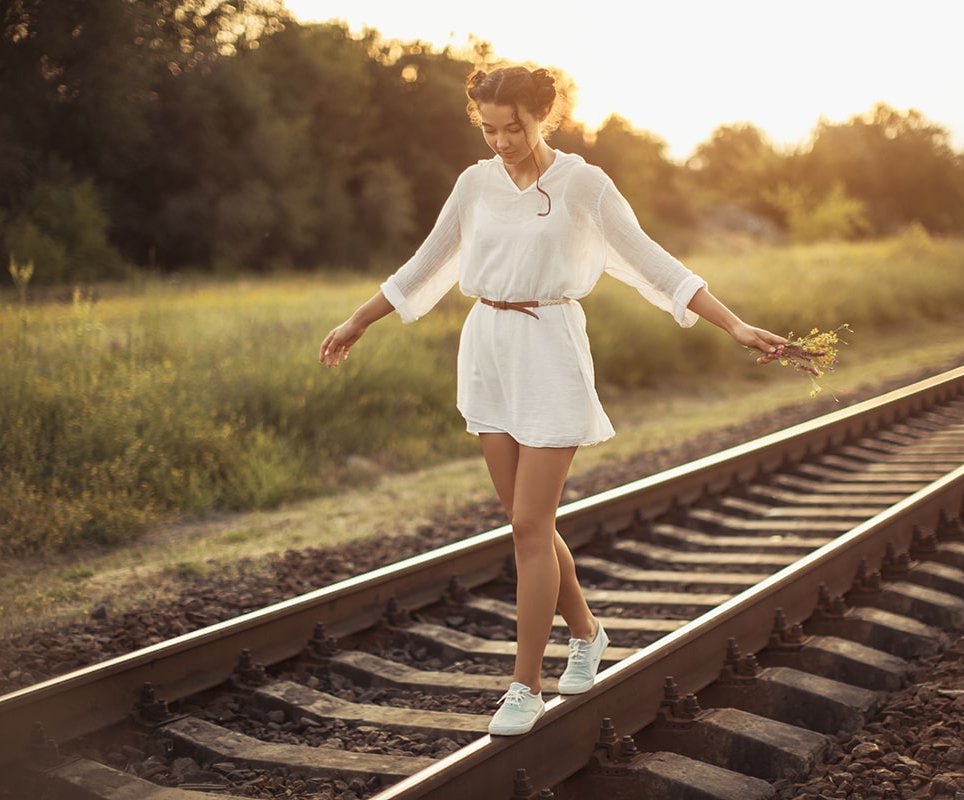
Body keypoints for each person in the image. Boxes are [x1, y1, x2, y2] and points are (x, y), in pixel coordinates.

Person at [319, 64, 786, 736]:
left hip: (550, 347)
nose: (503, 141)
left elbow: (654, 262)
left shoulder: (582, 184)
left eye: (515, 127)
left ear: (546, 115)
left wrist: (735, 323)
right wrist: (359, 319)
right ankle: (589, 635)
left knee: (529, 527)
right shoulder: (474, 184)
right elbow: (427, 262)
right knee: (524, 521)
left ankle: (523, 685)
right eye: (490, 129)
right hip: (488, 347)